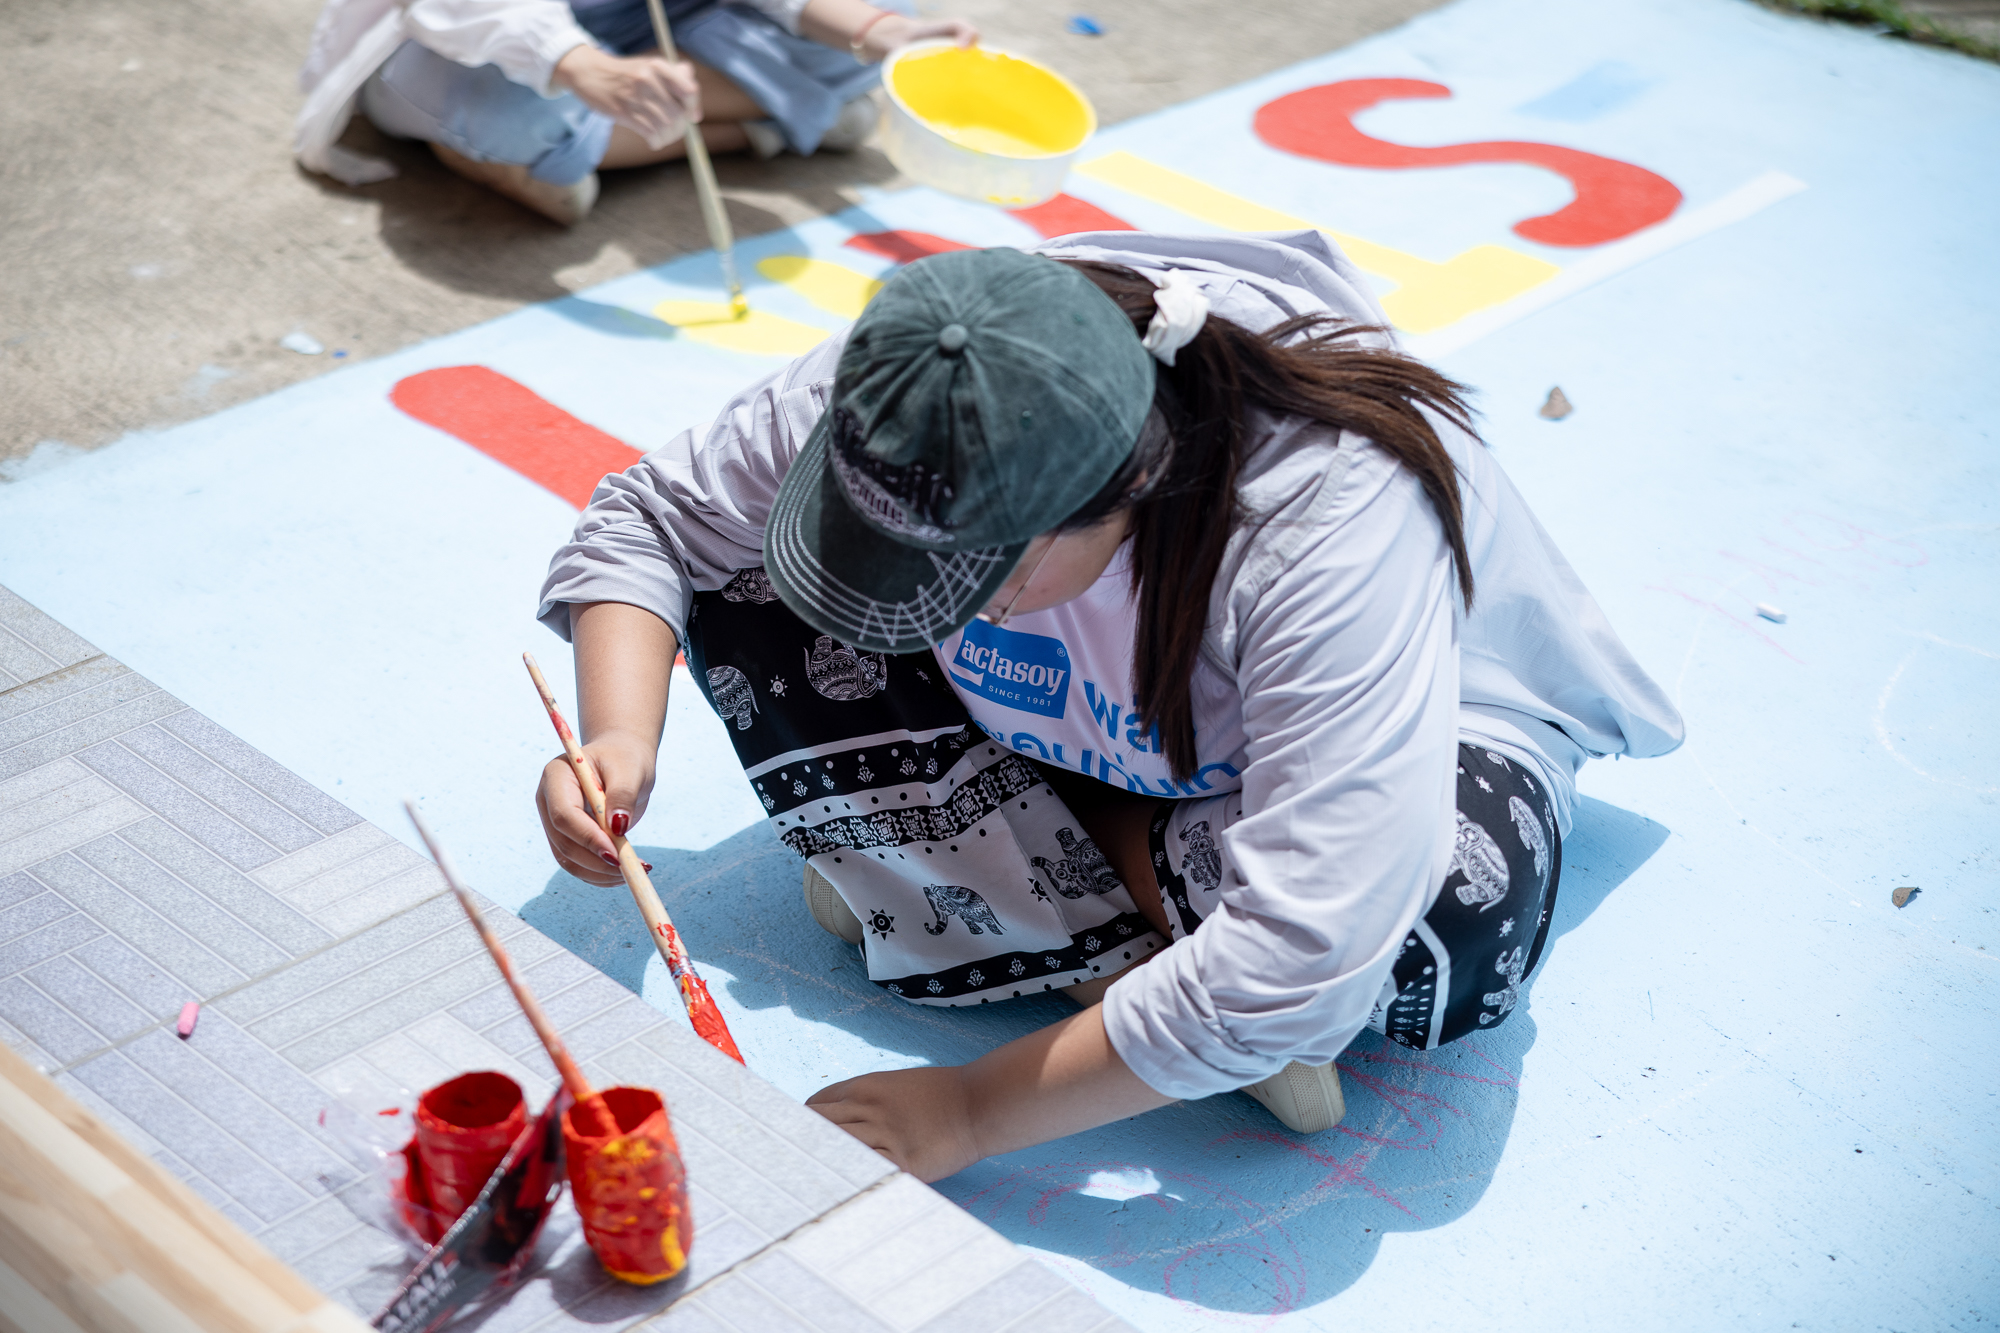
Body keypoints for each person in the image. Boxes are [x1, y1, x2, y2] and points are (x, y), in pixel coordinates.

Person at [533, 231, 1685, 1181]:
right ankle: (1114, 954)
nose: (929, 606)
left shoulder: (1327, 519)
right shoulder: (925, 376)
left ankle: (953, 882)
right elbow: (652, 520)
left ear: (1127, 488)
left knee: (1439, 924)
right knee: (742, 585)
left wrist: (972, 1110)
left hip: (1330, 745)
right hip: (1092, 738)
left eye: (969, 578)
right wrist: (621, 736)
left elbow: (1313, 939)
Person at [296, 0, 977, 224]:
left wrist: (881, 31)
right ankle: (762, 124)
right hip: (455, 39)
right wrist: (577, 65)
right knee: (503, 111)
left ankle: (588, 141)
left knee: (883, 19)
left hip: (648, 26)